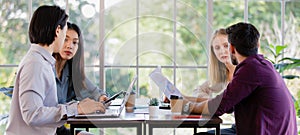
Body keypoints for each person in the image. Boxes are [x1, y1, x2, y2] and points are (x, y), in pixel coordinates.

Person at [5, 5, 105, 135]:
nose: (67, 43)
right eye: (65, 33)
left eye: (75, 42)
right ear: (58, 30)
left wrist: (78, 107)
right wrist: (77, 108)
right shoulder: (36, 64)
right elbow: (32, 115)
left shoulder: (42, 62)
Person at [184, 22, 297, 135]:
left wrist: (186, 107)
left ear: (232, 48)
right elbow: (227, 103)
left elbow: (218, 107)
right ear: (257, 44)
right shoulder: (263, 65)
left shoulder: (250, 69)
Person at [53, 22, 109, 135]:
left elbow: (94, 92)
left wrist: (102, 97)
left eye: (75, 42)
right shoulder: (45, 69)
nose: (70, 46)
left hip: (60, 131)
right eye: (65, 40)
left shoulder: (71, 72)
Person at [182, 28, 236, 135]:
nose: (222, 51)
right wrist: (180, 97)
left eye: (226, 45)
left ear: (233, 47)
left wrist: (188, 105)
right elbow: (199, 90)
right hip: (237, 128)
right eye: (217, 48)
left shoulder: (242, 72)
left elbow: (223, 106)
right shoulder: (223, 74)